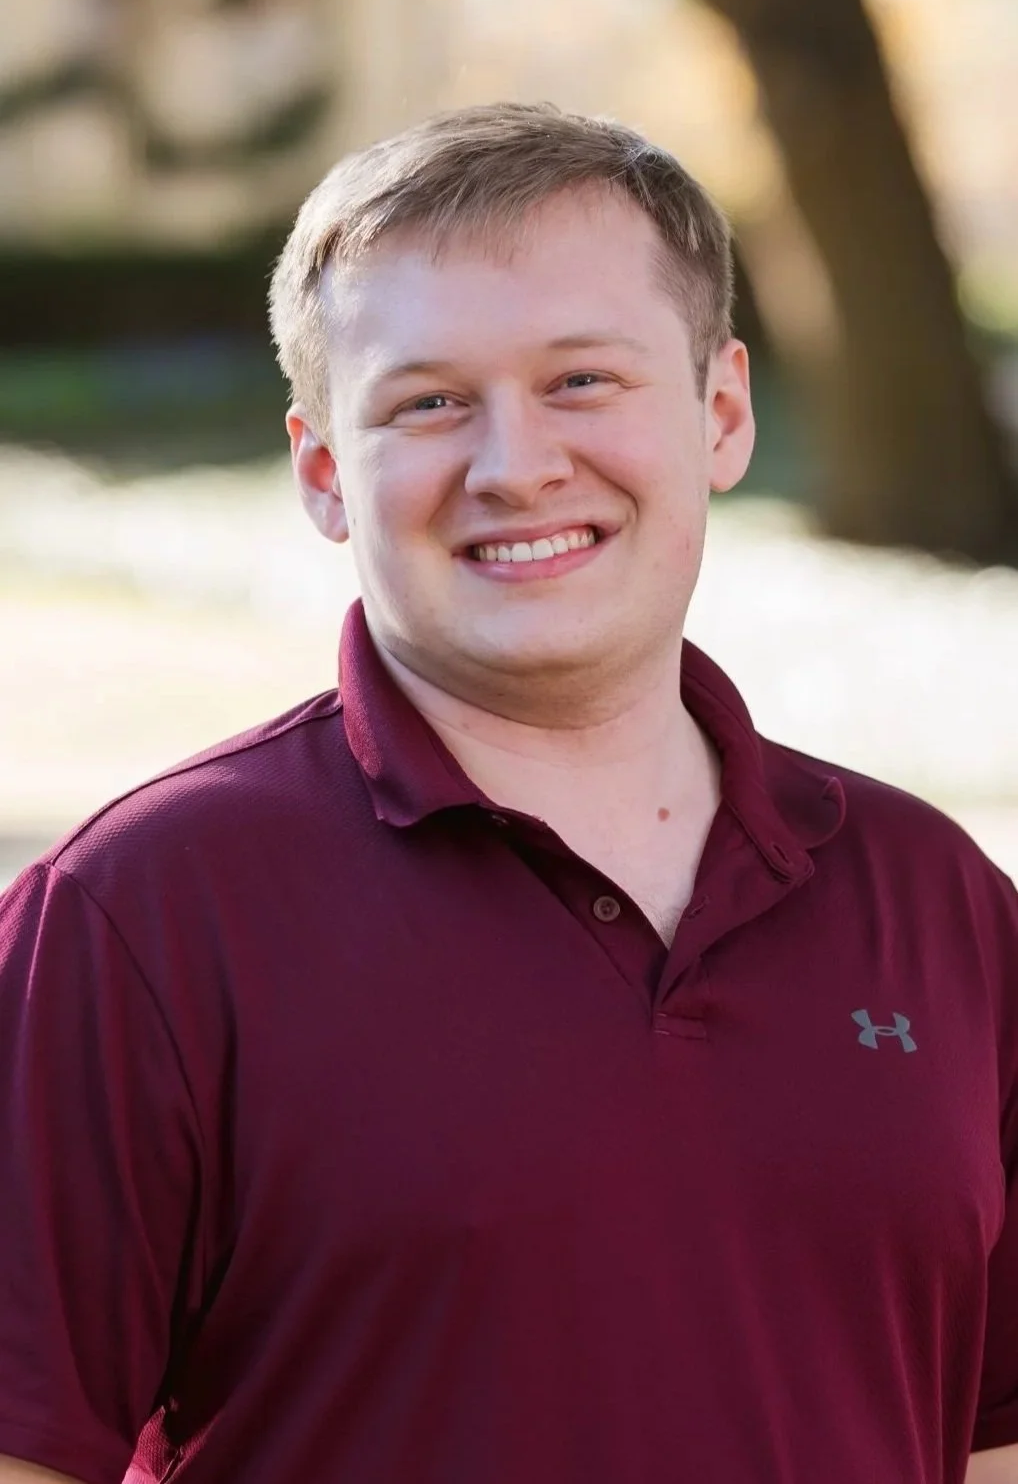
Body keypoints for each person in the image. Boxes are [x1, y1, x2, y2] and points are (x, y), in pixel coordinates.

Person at [1, 101, 1016, 1484]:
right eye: (427, 401)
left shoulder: (935, 897)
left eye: (582, 380)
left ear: (719, 412)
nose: (514, 464)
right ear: (321, 471)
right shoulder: (139, 917)